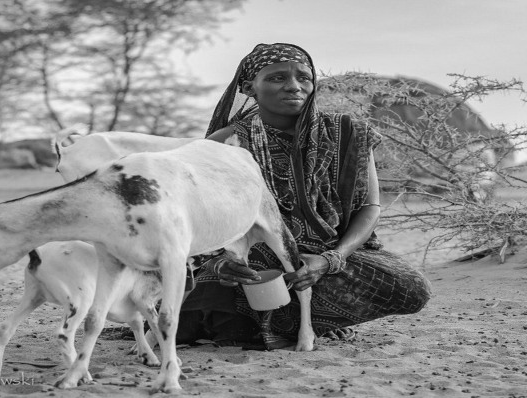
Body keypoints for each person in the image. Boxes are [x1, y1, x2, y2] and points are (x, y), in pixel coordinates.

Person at [175, 43, 431, 350]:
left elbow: (369, 208)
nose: (294, 86)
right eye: (277, 78)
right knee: (240, 283)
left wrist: (331, 259)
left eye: (304, 77)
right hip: (256, 256)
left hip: (328, 255)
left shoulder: (349, 132)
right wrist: (220, 263)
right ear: (249, 87)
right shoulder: (226, 142)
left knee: (411, 287)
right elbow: (202, 216)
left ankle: (311, 320)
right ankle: (293, 323)